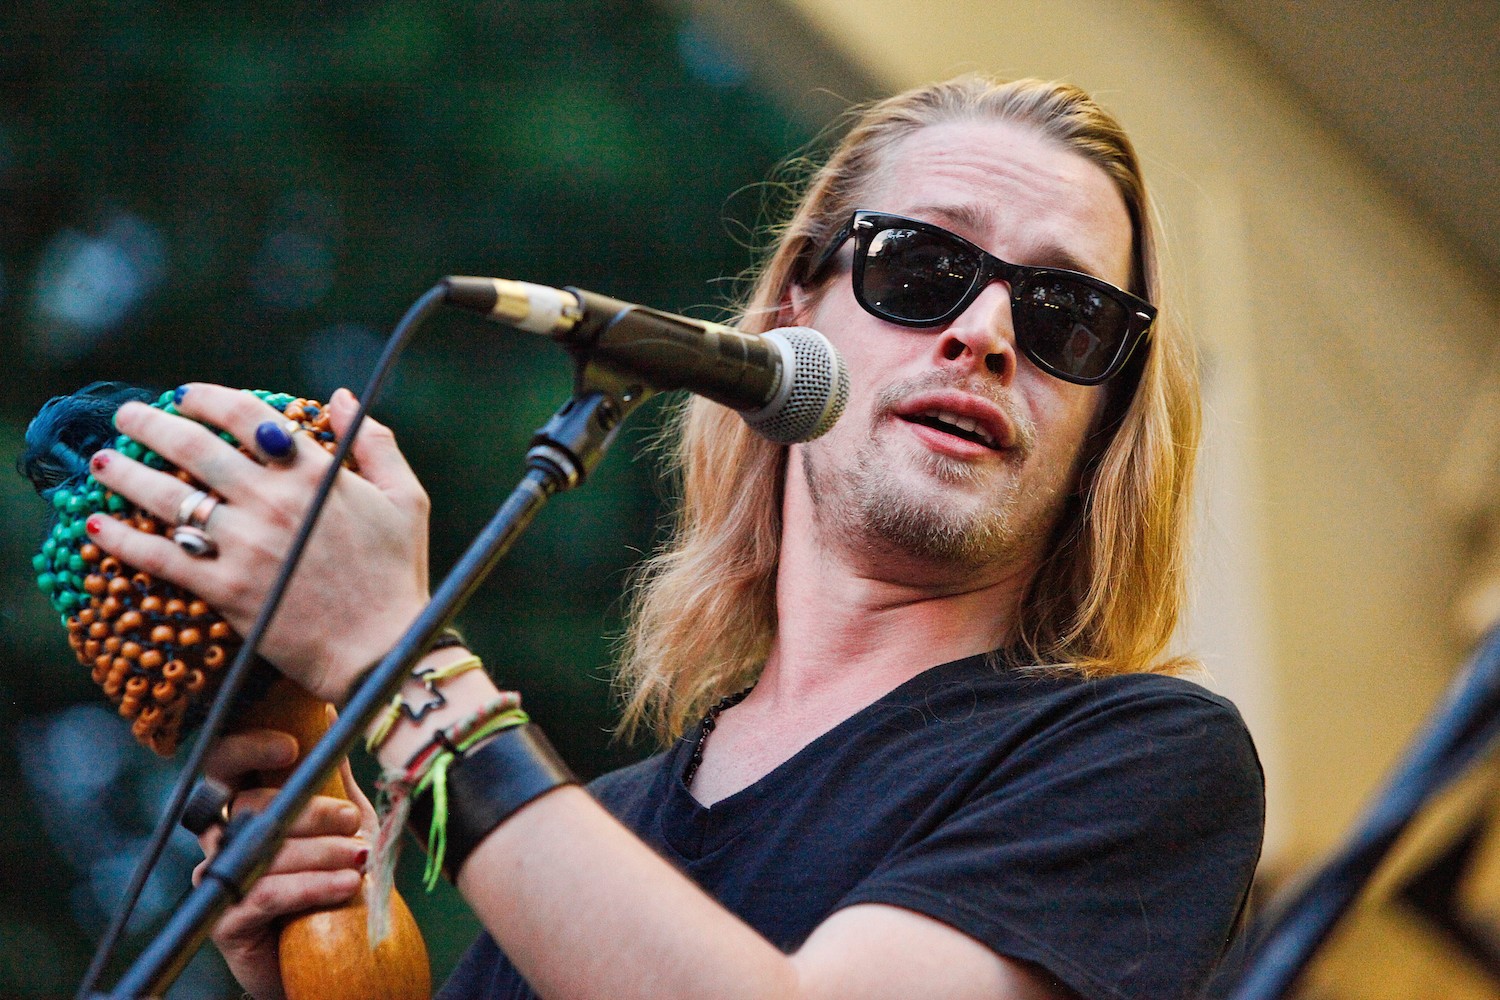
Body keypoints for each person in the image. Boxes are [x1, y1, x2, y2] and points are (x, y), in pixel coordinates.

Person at [84, 75, 1264, 1000]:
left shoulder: (1145, 762)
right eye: (923, 267)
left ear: (1105, 420)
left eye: (1067, 314)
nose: (987, 331)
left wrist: (398, 658)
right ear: (796, 308)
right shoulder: (589, 834)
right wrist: (314, 970)